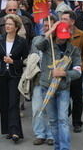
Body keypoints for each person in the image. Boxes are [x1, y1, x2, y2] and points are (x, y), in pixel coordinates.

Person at [35, 21, 82, 150]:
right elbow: (36, 43)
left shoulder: (73, 50)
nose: (62, 39)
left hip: (63, 89)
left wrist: (64, 73)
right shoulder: (47, 45)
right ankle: (57, 146)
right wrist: (50, 30)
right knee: (53, 121)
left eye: (65, 37)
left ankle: (65, 148)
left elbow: (78, 72)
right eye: (60, 36)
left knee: (63, 120)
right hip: (47, 87)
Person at [0, 14, 29, 143]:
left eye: (10, 24)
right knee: (4, 103)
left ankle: (16, 131)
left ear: (16, 27)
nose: (7, 26)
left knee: (13, 103)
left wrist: (13, 62)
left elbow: (26, 60)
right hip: (1, 74)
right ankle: (8, 130)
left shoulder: (22, 42)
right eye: (6, 24)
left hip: (14, 75)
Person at [60, 11, 83, 133]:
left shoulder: (81, 35)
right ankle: (63, 118)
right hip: (62, 72)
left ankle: (77, 122)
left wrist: (81, 69)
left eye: (65, 19)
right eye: (61, 18)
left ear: (72, 21)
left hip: (76, 72)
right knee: (63, 97)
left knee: (77, 98)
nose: (62, 21)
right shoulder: (59, 34)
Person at [31, 16, 55, 146]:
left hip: (53, 80)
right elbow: (32, 56)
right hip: (38, 79)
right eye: (45, 26)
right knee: (37, 108)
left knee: (50, 108)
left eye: (49, 26)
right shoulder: (36, 39)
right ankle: (40, 134)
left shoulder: (58, 40)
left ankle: (51, 134)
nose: (47, 28)